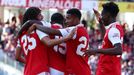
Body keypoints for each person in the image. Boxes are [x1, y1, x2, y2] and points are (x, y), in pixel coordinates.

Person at [25, 8, 91, 75]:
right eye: (65, 19)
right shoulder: (84, 31)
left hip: (62, 69)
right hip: (78, 69)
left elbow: (51, 36)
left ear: (76, 18)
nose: (66, 21)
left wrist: (36, 26)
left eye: (68, 18)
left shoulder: (73, 30)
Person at [15, 7, 75, 75]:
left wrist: (29, 62)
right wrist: (67, 38)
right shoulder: (39, 29)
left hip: (27, 71)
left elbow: (17, 57)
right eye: (40, 15)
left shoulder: (21, 35)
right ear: (34, 17)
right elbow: (48, 42)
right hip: (41, 70)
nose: (42, 16)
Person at [84, 2, 124, 75]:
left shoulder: (113, 29)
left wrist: (96, 51)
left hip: (108, 71)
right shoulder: (116, 27)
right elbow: (105, 38)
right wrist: (100, 22)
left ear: (108, 15)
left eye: (102, 15)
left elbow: (119, 50)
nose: (101, 17)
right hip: (111, 69)